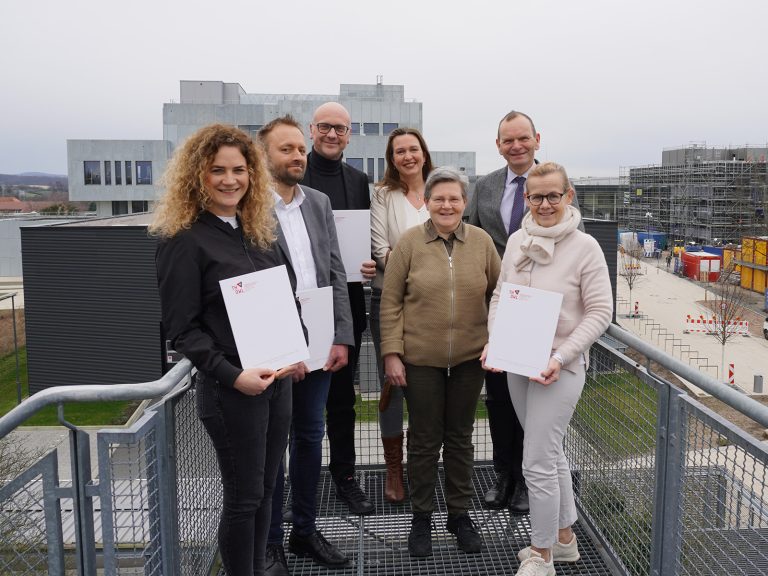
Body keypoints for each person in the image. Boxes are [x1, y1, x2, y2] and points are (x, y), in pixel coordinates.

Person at [151, 124, 297, 576]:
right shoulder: (185, 239)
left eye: (239, 169)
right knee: (244, 498)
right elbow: (182, 329)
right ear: (198, 175)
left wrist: (296, 348)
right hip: (232, 389)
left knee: (269, 490)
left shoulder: (259, 232)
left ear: (253, 173)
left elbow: (287, 295)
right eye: (218, 170)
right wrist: (232, 374)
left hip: (277, 382)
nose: (230, 180)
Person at [482, 162, 612, 576]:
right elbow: (502, 295)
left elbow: (600, 313)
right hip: (520, 362)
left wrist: (560, 357)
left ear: (568, 196)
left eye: (553, 195)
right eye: (536, 197)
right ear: (526, 198)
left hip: (561, 367)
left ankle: (541, 556)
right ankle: (564, 540)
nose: (544, 204)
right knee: (549, 454)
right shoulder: (519, 239)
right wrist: (496, 341)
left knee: (535, 460)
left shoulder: (585, 247)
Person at [466, 110, 583, 515]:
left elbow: (572, 246)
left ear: (536, 138)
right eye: (507, 140)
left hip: (546, 319)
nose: (515, 146)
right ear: (498, 145)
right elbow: (473, 239)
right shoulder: (483, 187)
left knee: (536, 407)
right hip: (500, 310)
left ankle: (529, 484)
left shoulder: (555, 185)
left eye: (522, 139)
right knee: (500, 399)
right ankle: (505, 474)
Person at [380, 167, 501, 557]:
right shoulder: (409, 243)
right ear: (427, 203)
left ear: (465, 203)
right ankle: (422, 517)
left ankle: (459, 514)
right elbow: (391, 301)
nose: (447, 205)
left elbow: (499, 295)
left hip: (469, 359)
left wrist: (499, 343)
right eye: (439, 199)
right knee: (424, 440)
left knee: (461, 438)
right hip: (420, 360)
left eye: (454, 198)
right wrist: (392, 353)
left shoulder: (482, 242)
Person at [258, 116, 353, 573]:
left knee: (311, 437)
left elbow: (335, 271)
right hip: (273, 348)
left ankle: (304, 531)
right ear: (264, 156)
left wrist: (341, 336)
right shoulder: (249, 207)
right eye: (286, 149)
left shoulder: (318, 201)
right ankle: (271, 542)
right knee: (274, 446)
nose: (297, 156)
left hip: (318, 342)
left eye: (300, 149)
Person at [300, 102, 376, 515]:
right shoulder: (295, 175)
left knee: (342, 400)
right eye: (325, 127)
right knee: (297, 404)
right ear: (312, 129)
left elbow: (363, 238)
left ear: (350, 135)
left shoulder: (359, 180)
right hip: (302, 306)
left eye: (341, 129)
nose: (332, 135)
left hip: (345, 304)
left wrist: (369, 263)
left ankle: (345, 477)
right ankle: (300, 486)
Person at [370, 127, 435, 503]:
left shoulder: (442, 186)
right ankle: (393, 469)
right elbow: (382, 250)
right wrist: (428, 269)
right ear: (391, 159)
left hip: (435, 306)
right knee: (392, 383)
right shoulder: (383, 195)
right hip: (390, 299)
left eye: (413, 149)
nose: (407, 157)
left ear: (424, 153)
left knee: (426, 385)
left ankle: (421, 466)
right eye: (399, 152)